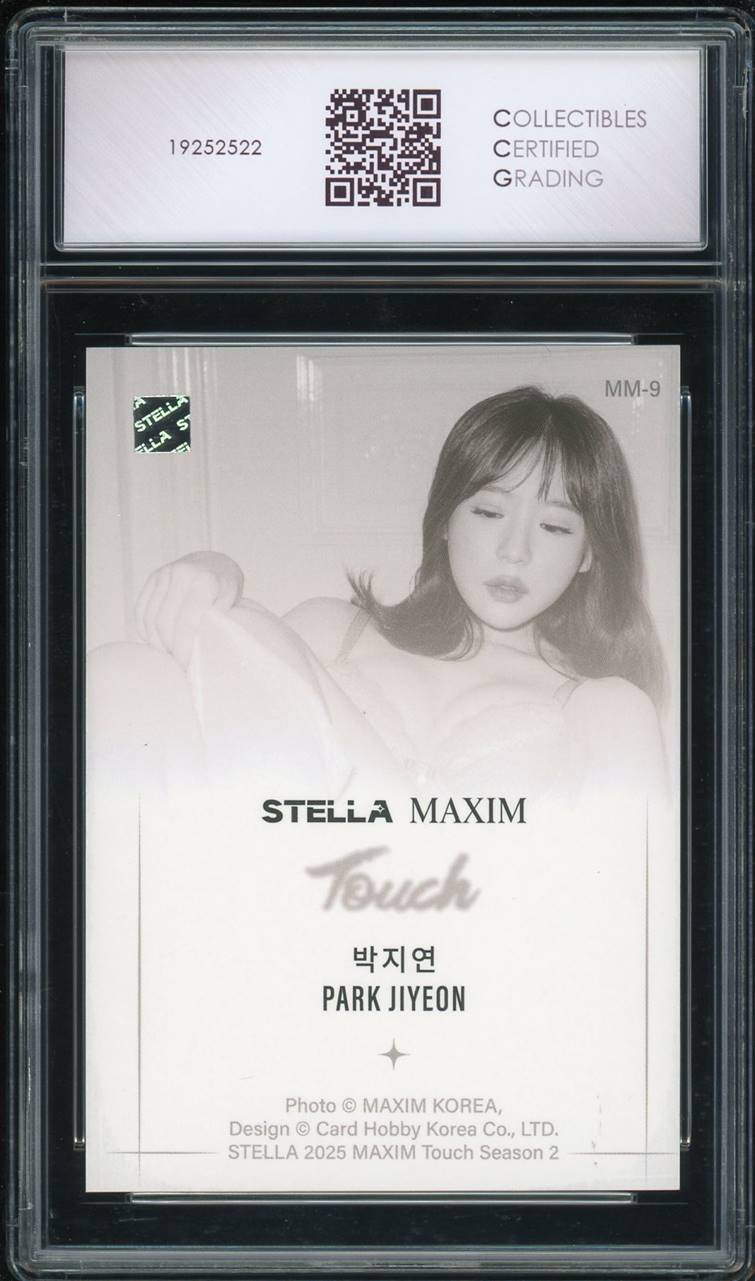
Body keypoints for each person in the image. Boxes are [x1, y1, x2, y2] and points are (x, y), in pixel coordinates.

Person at [126, 386, 667, 802]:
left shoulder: (603, 709)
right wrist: (216, 574)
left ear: (590, 553)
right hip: (284, 893)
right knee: (126, 671)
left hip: (459, 908)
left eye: (554, 527)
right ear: (446, 521)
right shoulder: (332, 631)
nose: (514, 552)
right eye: (488, 512)